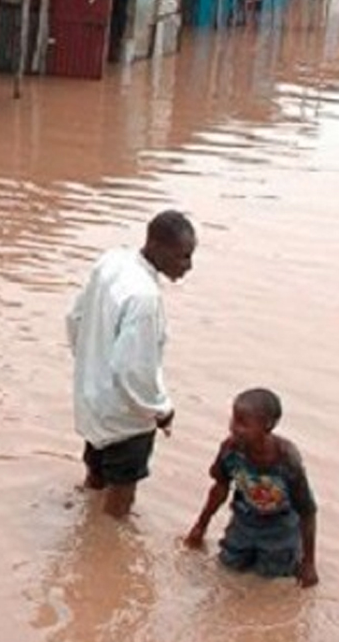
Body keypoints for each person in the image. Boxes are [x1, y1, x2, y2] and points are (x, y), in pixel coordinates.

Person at [67, 209, 196, 518]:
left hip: (92, 400)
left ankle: (86, 525)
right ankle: (103, 555)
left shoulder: (112, 261)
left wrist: (89, 367)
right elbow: (132, 369)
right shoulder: (145, 298)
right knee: (120, 501)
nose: (188, 266)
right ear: (158, 247)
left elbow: (75, 318)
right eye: (183, 257)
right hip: (125, 418)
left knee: (95, 474)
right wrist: (159, 410)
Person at [183, 388, 319, 587]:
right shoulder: (230, 450)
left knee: (269, 581)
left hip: (279, 529)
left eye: (243, 423)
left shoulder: (287, 460)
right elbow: (220, 488)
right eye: (233, 420)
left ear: (268, 425)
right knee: (227, 569)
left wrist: (309, 563)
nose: (234, 428)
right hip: (244, 522)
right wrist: (200, 526)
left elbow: (307, 512)